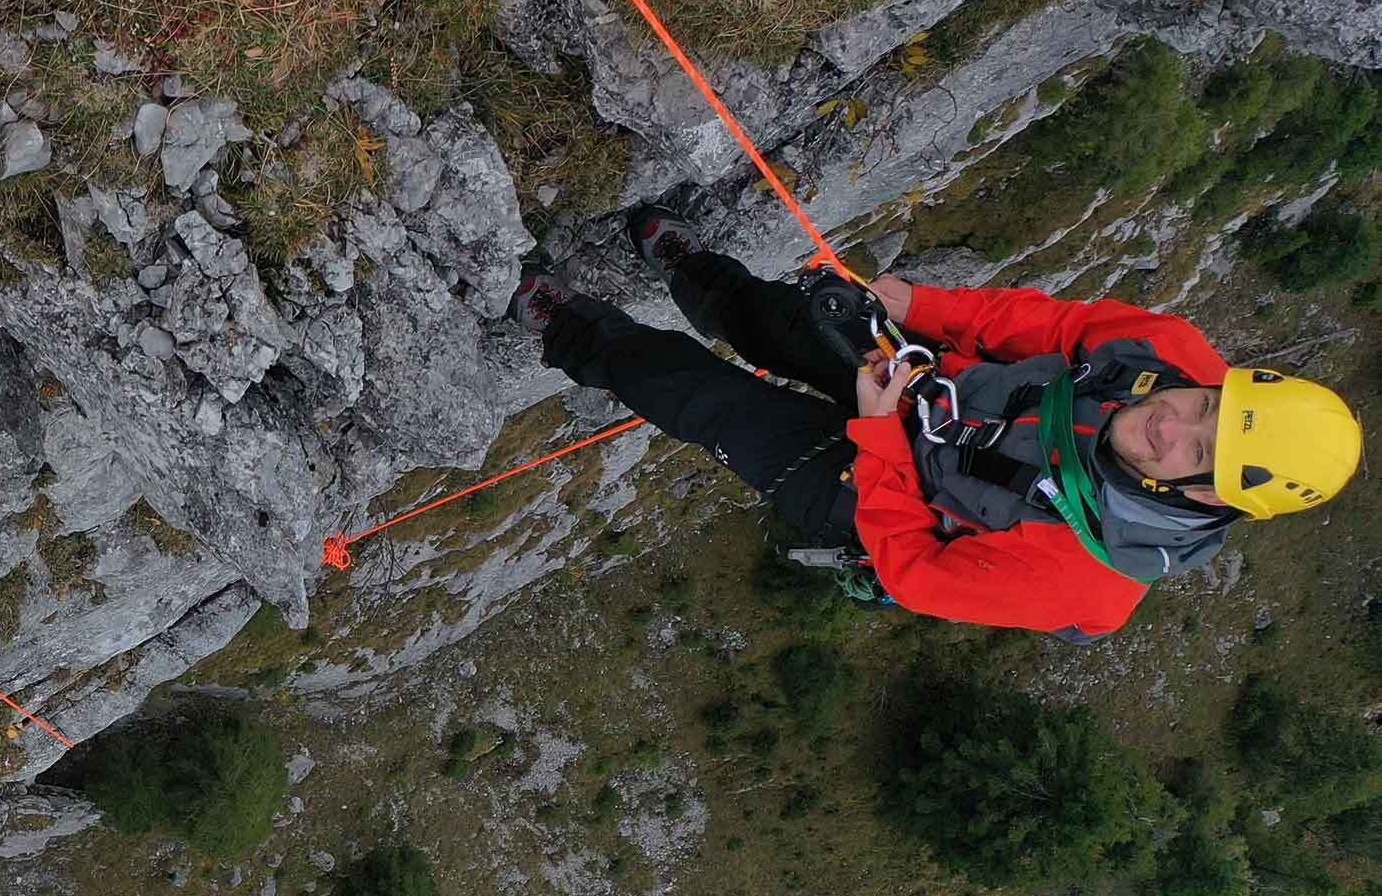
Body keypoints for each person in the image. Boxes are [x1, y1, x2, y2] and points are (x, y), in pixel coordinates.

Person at [510, 207, 1364, 640]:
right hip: (938, 388)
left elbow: (917, 574)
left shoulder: (1087, 580)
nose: (1173, 425)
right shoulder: (1170, 350)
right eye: (1207, 406)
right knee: (782, 322)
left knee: (712, 404)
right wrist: (919, 306)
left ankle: (566, 326)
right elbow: (1046, 327)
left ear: (1214, 497)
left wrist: (881, 442)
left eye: (1201, 454)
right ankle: (693, 266)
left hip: (883, 507)